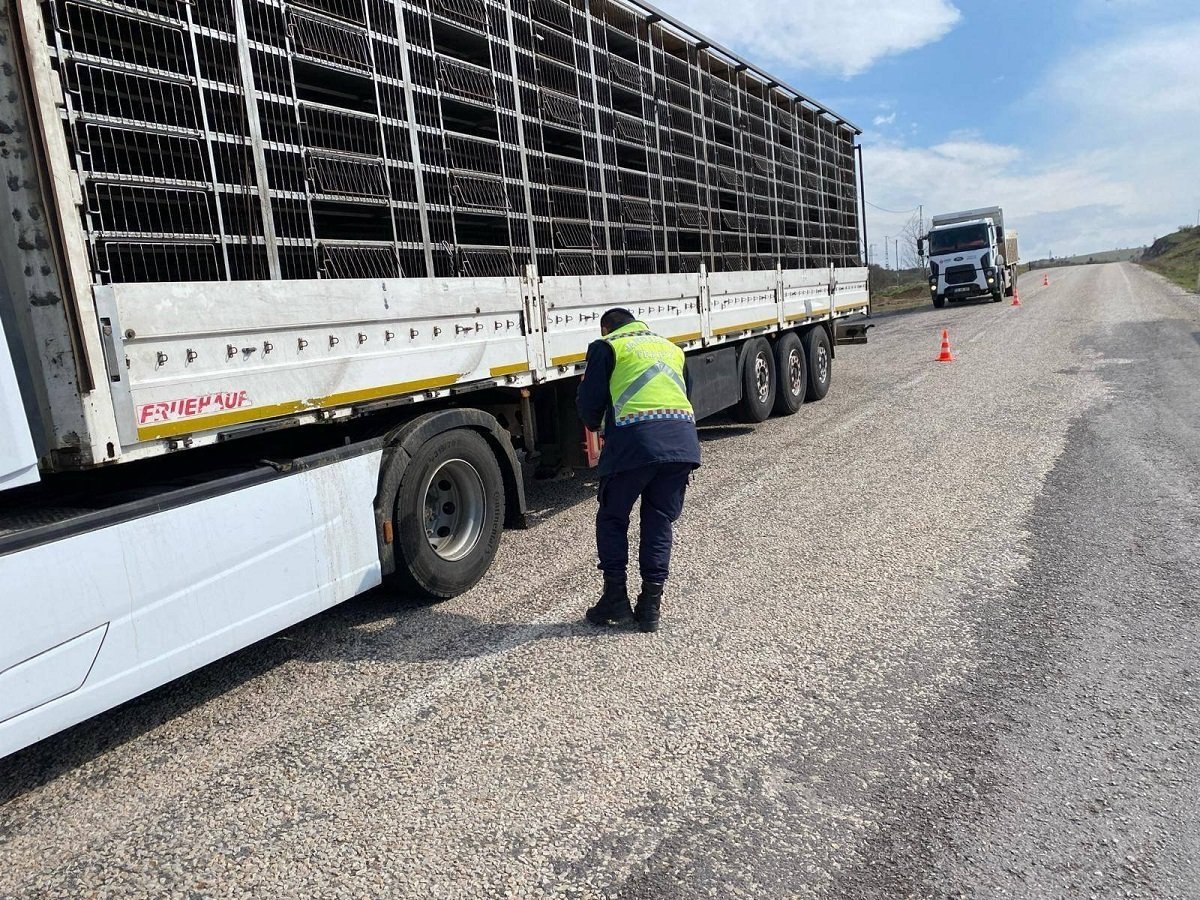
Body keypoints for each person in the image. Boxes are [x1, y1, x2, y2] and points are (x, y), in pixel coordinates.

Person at [575, 307, 701, 632]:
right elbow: (686, 394)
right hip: (681, 442)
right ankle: (650, 607)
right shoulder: (672, 348)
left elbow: (590, 402)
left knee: (613, 517)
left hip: (634, 442)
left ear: (607, 327)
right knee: (659, 520)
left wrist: (593, 422)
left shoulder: (607, 346)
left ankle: (615, 598)